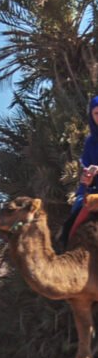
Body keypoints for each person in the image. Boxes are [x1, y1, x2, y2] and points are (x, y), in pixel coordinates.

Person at [62, 94, 98, 246]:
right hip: (94, 189)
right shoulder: (90, 142)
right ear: (92, 116)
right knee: (78, 206)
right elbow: (86, 167)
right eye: (97, 113)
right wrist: (87, 178)